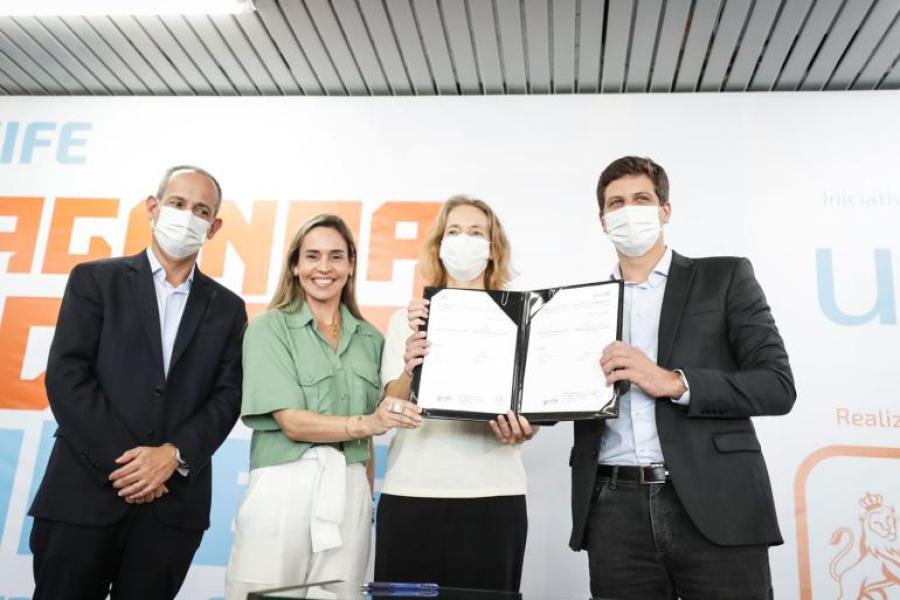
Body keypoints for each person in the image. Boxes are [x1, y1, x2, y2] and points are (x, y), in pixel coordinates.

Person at [569, 156, 796, 599]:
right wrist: (518, 415)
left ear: (664, 211)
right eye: (616, 203)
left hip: (716, 502)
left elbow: (777, 385)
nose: (628, 211)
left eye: (641, 199)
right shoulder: (579, 309)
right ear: (602, 221)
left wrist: (674, 382)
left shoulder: (724, 277)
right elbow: (553, 393)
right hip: (614, 509)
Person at [28, 165, 247, 599]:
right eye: (177, 204)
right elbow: (68, 376)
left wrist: (172, 455)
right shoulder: (95, 280)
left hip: (171, 508)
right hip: (83, 498)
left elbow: (228, 397)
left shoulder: (229, 309)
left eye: (201, 210)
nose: (187, 217)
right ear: (153, 208)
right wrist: (131, 467)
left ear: (214, 227)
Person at [225, 214, 420, 599]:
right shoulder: (269, 328)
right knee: (268, 593)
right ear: (295, 266)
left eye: (336, 256)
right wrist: (368, 423)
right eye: (312, 256)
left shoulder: (370, 338)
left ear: (350, 266)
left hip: (349, 487)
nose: (324, 268)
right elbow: (292, 422)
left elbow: (386, 413)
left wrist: (411, 366)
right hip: (284, 484)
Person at [375, 195, 535, 592]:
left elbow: (530, 413)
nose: (465, 240)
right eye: (455, 231)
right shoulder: (406, 320)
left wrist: (525, 428)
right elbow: (388, 408)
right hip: (412, 491)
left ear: (493, 247)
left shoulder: (523, 321)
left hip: (493, 493)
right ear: (439, 245)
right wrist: (411, 365)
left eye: (477, 232)